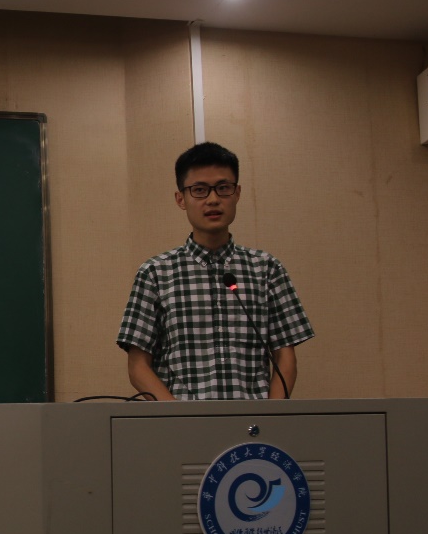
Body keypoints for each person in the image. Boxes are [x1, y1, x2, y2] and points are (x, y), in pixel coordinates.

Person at [117, 142, 313, 400]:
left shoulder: (267, 269)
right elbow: (138, 366)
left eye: (223, 188)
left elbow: (285, 357)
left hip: (253, 420)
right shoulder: (155, 273)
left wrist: (271, 416)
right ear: (180, 199)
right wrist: (178, 416)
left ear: (237, 193)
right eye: (199, 190)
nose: (213, 200)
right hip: (181, 419)